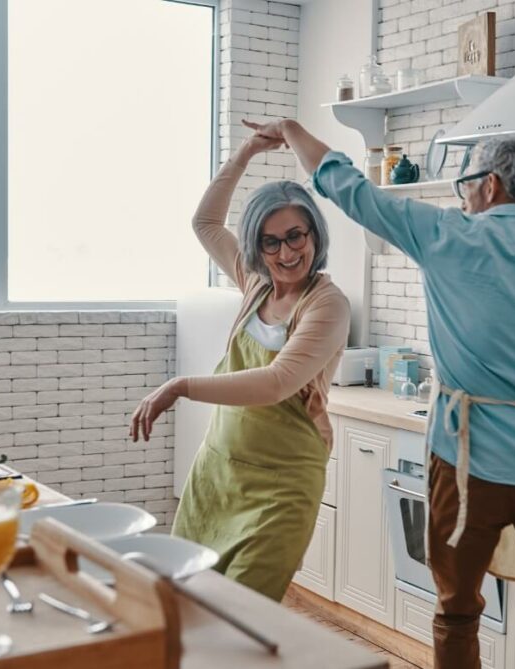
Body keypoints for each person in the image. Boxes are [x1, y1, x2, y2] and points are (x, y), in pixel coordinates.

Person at [244, 119, 515, 669]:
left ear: (491, 185)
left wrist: (291, 130)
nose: (464, 195)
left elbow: (346, 186)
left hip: (463, 466)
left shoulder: (446, 236)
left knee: (456, 613)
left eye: (465, 183)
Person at [128, 130, 350, 602]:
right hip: (217, 474)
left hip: (281, 488)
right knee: (185, 602)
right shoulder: (257, 283)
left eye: (296, 236)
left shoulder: (326, 305)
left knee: (241, 614)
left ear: (314, 234)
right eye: (271, 243)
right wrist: (246, 153)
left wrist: (181, 386)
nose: (286, 254)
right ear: (257, 247)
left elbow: (277, 382)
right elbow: (206, 222)